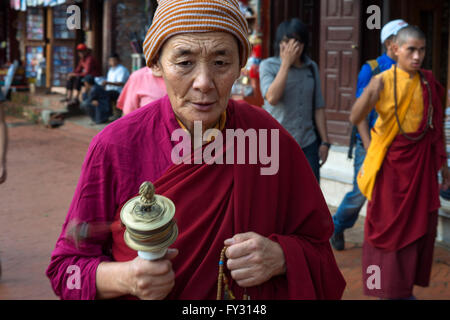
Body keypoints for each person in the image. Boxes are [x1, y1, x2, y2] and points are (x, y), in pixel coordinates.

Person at [46, 0, 345, 300]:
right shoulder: (115, 145)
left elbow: (319, 253)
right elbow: (66, 271)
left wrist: (281, 257)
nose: (204, 83)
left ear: (240, 64)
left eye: (220, 62)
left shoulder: (266, 137)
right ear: (155, 64)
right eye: (185, 62)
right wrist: (126, 278)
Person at [350, 25, 449, 299]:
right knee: (388, 232)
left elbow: (435, 126)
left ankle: (402, 289)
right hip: (391, 170)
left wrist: (443, 165)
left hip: (419, 169)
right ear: (396, 50)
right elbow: (355, 116)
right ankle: (386, 288)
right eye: (411, 50)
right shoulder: (382, 80)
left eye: (422, 50)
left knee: (417, 231)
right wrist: (370, 91)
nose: (417, 56)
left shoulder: (428, 81)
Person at [330, 19, 408, 251]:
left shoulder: (410, 70)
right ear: (390, 43)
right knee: (361, 191)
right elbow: (361, 113)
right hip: (371, 142)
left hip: (397, 143)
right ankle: (336, 226)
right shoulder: (373, 68)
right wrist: (369, 144)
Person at [259, 18, 330, 182]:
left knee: (311, 195)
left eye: (295, 41)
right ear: (279, 43)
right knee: (279, 197)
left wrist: (325, 142)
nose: (290, 47)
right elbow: (272, 98)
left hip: (307, 143)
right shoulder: (268, 66)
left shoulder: (311, 67)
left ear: (303, 44)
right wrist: (285, 65)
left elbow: (318, 106)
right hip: (276, 145)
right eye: (285, 41)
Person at [102, 53, 130, 119]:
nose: (112, 62)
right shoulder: (111, 70)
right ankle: (103, 114)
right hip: (110, 90)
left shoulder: (122, 69)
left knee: (107, 95)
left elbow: (121, 83)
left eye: (114, 60)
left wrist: (108, 83)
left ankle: (109, 113)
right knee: (99, 92)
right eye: (111, 61)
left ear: (118, 60)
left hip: (119, 91)